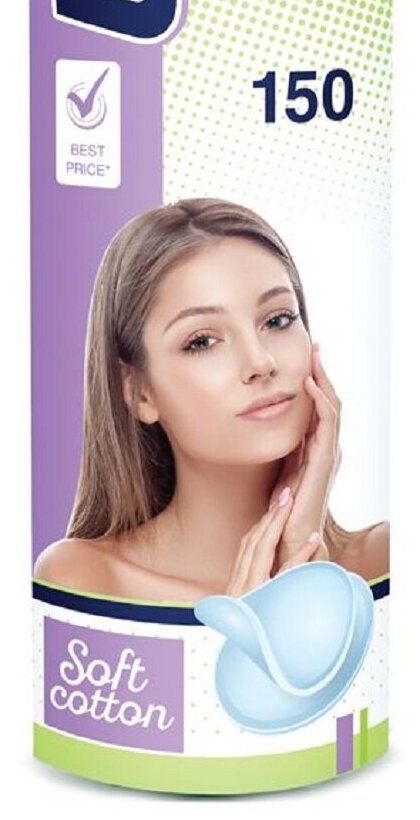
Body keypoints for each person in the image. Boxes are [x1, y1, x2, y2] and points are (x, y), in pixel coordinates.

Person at [35, 198, 389, 601]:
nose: (260, 362)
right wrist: (253, 619)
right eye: (202, 341)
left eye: (278, 320)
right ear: (137, 391)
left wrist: (300, 554)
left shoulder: (384, 560)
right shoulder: (85, 579)